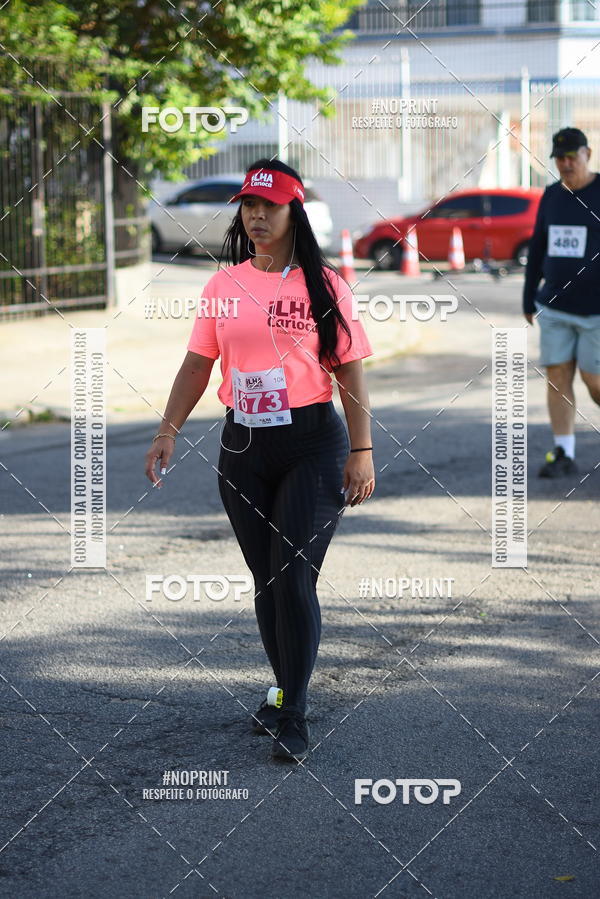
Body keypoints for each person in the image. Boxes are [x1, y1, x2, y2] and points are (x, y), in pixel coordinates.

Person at [144, 158, 375, 762]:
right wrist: (168, 430)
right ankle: (283, 687)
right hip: (243, 449)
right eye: (249, 206)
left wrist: (361, 451)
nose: (256, 216)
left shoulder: (326, 287)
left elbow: (349, 372)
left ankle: (293, 711)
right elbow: (199, 363)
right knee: (267, 582)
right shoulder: (223, 286)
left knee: (294, 579)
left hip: (312, 447)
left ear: (293, 212)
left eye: (268, 206)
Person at [523, 127, 600, 477]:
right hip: (554, 304)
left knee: (593, 380)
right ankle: (563, 451)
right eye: (559, 158)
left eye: (572, 156)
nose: (566, 163)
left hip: (595, 310)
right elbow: (538, 245)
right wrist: (528, 294)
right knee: (557, 376)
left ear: (588, 154)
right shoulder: (552, 195)